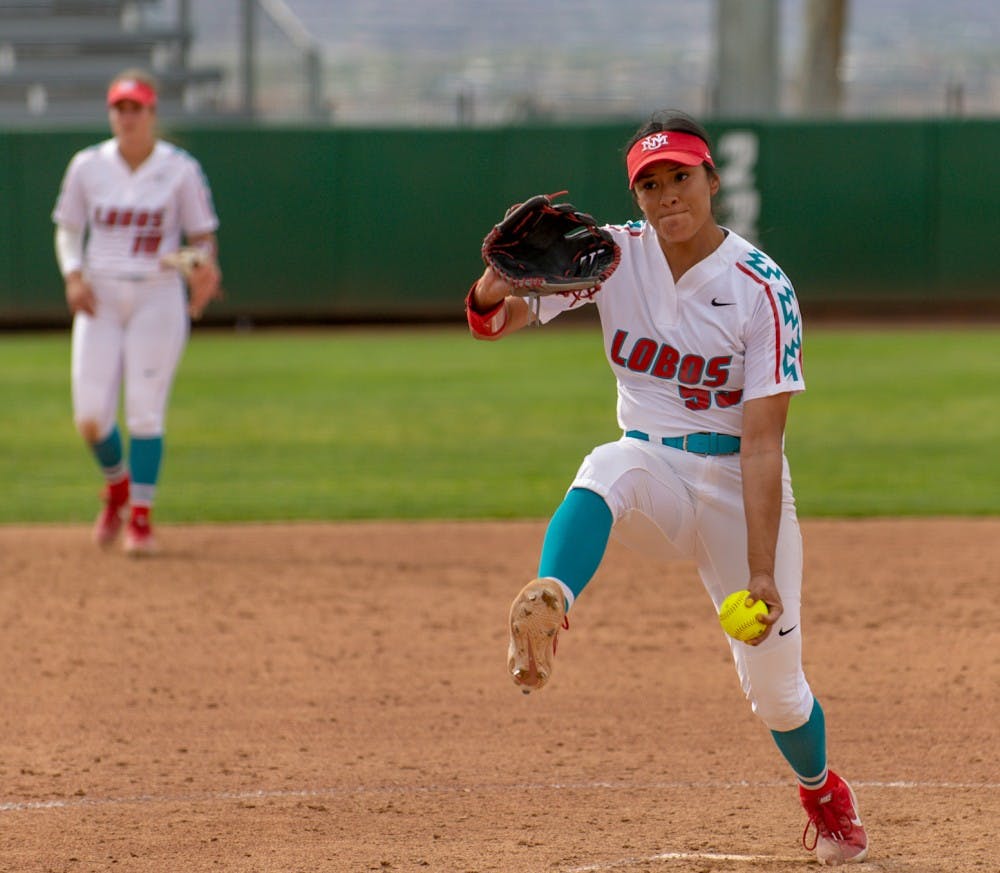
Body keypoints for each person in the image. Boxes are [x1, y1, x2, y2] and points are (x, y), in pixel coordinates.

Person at [464, 109, 869, 866]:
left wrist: (756, 571)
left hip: (734, 488)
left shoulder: (761, 288)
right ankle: (551, 599)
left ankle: (822, 790)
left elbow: (761, 444)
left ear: (711, 181)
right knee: (607, 463)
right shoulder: (613, 256)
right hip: (653, 471)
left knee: (776, 692)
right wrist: (492, 287)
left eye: (679, 176)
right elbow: (497, 321)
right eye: (649, 183)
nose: (664, 194)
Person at [52, 69, 221, 555]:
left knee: (145, 411)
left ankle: (140, 519)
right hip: (99, 295)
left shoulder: (179, 168)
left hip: (157, 293)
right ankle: (118, 487)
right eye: (119, 108)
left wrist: (204, 265)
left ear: (152, 113)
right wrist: (74, 274)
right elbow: (68, 228)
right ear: (112, 114)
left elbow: (202, 237)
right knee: (89, 418)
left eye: (136, 108)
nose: (127, 117)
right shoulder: (88, 165)